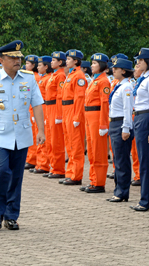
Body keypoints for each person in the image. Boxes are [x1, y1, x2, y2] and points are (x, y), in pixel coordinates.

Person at [0, 40, 45, 230]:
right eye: (12, 58)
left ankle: (11, 215)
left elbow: (37, 104)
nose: (17, 61)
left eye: (19, 58)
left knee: (16, 175)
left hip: (21, 134)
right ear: (2, 59)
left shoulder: (28, 78)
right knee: (1, 170)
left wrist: (41, 130)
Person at [130, 48, 149, 211]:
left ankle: (147, 201)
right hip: (140, 117)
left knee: (147, 162)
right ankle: (144, 198)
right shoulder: (144, 78)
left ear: (148, 61)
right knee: (143, 160)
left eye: (141, 60)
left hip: (147, 118)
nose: (138, 63)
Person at [78, 53, 110, 193]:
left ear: (102, 65)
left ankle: (99, 182)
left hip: (97, 116)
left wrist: (103, 124)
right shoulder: (94, 80)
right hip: (90, 116)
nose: (91, 65)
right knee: (91, 150)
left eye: (95, 63)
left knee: (98, 150)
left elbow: (104, 103)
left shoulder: (103, 81)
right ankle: (93, 180)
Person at [106, 58, 134, 202]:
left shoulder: (126, 87)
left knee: (122, 159)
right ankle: (118, 189)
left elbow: (127, 109)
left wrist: (126, 128)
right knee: (117, 159)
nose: (113, 70)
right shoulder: (119, 85)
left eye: (116, 68)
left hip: (121, 123)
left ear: (123, 71)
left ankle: (122, 191)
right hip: (114, 123)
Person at [61, 49, 88, 185]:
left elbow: (79, 98)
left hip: (73, 109)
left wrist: (77, 117)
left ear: (76, 61)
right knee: (69, 143)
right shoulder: (71, 75)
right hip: (66, 109)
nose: (67, 60)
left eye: (69, 58)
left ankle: (76, 175)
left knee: (76, 144)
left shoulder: (79, 76)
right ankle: (70, 173)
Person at [45, 51, 67, 180]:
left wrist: (59, 115)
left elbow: (60, 96)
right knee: (50, 139)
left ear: (60, 62)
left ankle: (58, 169)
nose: (52, 62)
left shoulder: (61, 76)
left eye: (54, 60)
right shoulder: (54, 75)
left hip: (55, 107)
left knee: (56, 140)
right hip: (49, 107)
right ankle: (53, 167)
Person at [31, 56, 53, 173]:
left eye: (40, 65)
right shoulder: (42, 78)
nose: (37, 67)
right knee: (37, 136)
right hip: (40, 106)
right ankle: (39, 163)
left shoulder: (48, 78)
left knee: (43, 136)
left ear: (46, 66)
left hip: (45, 107)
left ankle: (44, 164)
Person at [24, 55, 41, 171]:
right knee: (30, 134)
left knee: (34, 136)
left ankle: (32, 159)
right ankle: (30, 158)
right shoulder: (28, 76)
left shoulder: (35, 77)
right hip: (28, 107)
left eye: (28, 63)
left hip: (33, 107)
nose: (26, 65)